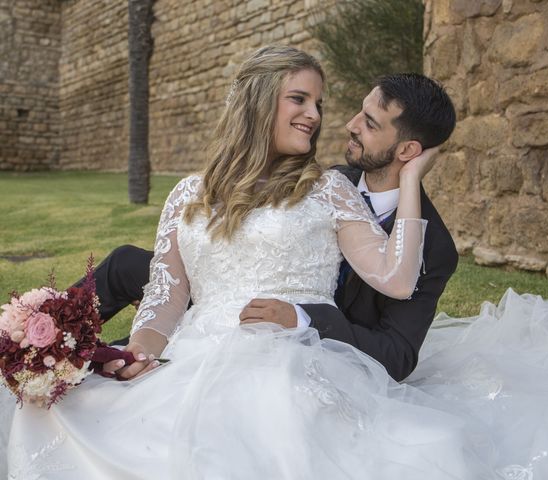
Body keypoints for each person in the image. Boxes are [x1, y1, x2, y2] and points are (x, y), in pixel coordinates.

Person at [2, 46, 468, 479]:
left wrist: (409, 181)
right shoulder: (188, 192)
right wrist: (141, 352)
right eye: (301, 99)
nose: (322, 117)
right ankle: (42, 333)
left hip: (288, 360)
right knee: (80, 413)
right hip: (194, 347)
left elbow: (397, 280)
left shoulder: (328, 188)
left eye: (317, 104)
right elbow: (169, 295)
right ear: (259, 102)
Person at [84, 73, 458, 383]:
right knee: (126, 264)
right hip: (214, 317)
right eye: (359, 113)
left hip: (302, 349)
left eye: (370, 123)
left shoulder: (431, 247)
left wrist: (303, 317)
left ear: (408, 151)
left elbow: (396, 355)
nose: (348, 125)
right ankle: (47, 330)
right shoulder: (332, 179)